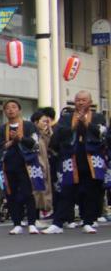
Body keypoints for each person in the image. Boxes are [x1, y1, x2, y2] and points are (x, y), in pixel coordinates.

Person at [43, 92, 106, 234]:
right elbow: (57, 136)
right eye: (78, 100)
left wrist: (87, 124)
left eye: (84, 100)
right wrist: (74, 125)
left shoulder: (97, 117)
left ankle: (88, 221)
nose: (80, 102)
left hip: (91, 159)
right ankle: (58, 223)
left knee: (90, 192)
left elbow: (103, 134)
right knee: (66, 191)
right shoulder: (66, 118)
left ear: (90, 102)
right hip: (71, 159)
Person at [0, 100, 43, 235]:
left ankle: (32, 222)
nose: (11, 110)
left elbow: (35, 144)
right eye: (7, 108)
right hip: (9, 166)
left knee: (28, 193)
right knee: (11, 194)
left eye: (14, 107)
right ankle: (17, 223)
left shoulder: (29, 126)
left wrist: (21, 138)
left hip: (26, 165)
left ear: (19, 110)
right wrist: (10, 143)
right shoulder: (0, 130)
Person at [31, 109, 56, 218]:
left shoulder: (43, 135)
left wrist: (49, 130)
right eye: (43, 121)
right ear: (36, 122)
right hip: (36, 166)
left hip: (45, 165)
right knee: (37, 190)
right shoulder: (32, 135)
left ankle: (45, 210)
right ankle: (37, 213)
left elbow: (52, 144)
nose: (46, 124)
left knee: (45, 189)